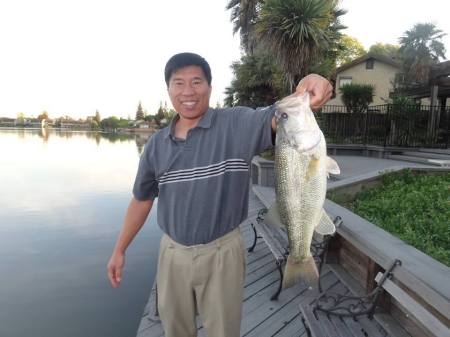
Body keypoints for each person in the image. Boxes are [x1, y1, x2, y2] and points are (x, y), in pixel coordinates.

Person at [107, 52, 332, 337]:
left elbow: (281, 116)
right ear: (169, 90)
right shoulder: (155, 146)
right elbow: (142, 200)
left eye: (196, 82)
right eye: (179, 83)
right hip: (172, 254)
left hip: (223, 251)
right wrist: (119, 250)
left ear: (210, 88)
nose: (188, 91)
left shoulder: (236, 124)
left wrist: (311, 83)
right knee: (175, 330)